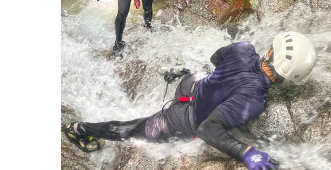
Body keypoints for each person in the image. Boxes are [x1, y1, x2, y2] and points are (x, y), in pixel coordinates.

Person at [63, 31, 316, 170]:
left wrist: (221, 82)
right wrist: (246, 152)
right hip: (180, 120)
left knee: (204, 75)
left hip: (191, 85)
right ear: (289, 78)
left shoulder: (243, 48)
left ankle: (180, 72)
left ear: (271, 50)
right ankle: (79, 130)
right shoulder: (254, 100)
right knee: (131, 129)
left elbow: (215, 60)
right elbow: (207, 129)